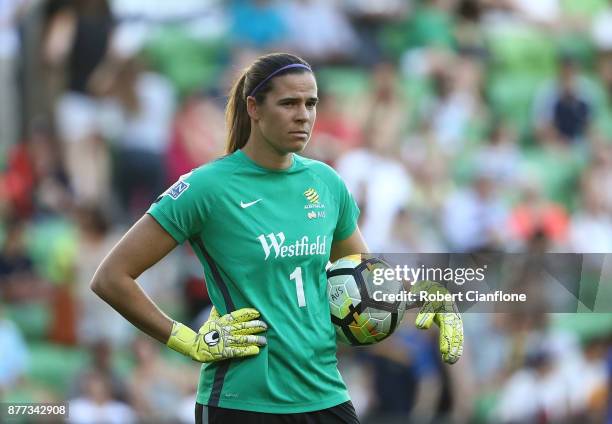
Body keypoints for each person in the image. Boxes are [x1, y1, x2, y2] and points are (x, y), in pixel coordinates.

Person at [91, 52, 463, 424]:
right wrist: (189, 342)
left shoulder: (327, 183)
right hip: (242, 403)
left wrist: (427, 296)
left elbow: (366, 286)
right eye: (289, 103)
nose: (303, 115)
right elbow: (111, 278)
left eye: (311, 103)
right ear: (254, 107)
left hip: (325, 394)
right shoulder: (205, 188)